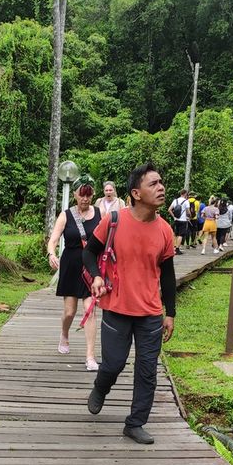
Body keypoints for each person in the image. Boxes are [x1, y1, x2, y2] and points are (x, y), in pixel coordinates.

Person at [84, 162, 176, 445]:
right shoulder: (114, 221)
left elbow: (169, 276)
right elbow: (89, 254)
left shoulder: (165, 230)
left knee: (147, 370)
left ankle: (135, 423)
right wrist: (97, 277)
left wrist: (170, 313)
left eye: (161, 182)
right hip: (117, 308)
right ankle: (101, 387)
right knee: (113, 364)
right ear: (136, 193)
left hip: (149, 312)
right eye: (153, 184)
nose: (160, 188)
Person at [48, 182, 101, 371]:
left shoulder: (99, 214)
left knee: (90, 309)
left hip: (91, 267)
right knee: (70, 311)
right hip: (71, 265)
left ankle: (90, 356)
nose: (85, 198)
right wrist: (51, 253)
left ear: (93, 195)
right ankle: (64, 333)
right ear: (76, 195)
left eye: (88, 195)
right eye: (81, 194)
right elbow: (53, 239)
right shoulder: (66, 215)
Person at [168, 189, 190, 255]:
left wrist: (174, 217)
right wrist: (189, 216)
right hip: (183, 220)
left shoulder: (175, 200)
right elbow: (188, 211)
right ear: (185, 194)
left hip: (176, 220)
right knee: (181, 235)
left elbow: (169, 210)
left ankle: (174, 247)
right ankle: (177, 249)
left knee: (175, 234)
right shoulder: (186, 201)